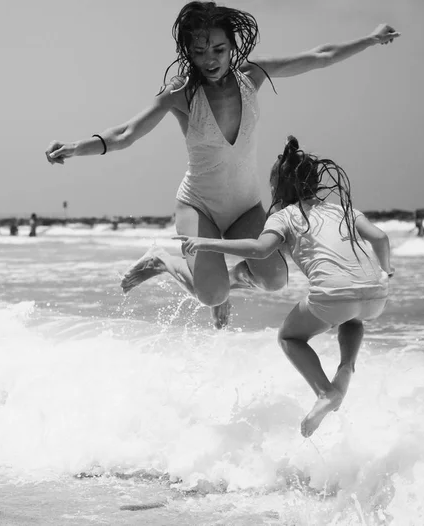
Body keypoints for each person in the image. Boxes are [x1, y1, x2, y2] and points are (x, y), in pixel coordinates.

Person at [45, 1, 400, 328]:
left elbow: (320, 55)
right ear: (189, 53)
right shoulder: (181, 94)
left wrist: (370, 39)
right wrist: (75, 148)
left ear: (233, 46)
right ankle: (162, 260)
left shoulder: (252, 76)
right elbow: (125, 133)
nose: (210, 59)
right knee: (209, 295)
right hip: (199, 206)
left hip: (245, 206)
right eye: (199, 52)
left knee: (275, 280)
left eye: (219, 49)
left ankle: (227, 282)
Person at [175, 136, 394, 437]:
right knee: (353, 317)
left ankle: (325, 392)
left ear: (278, 188)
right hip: (376, 294)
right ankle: (347, 368)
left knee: (290, 337)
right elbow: (381, 238)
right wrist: (386, 272)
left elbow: (259, 249)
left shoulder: (285, 216)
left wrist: (207, 242)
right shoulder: (345, 211)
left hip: (333, 296)